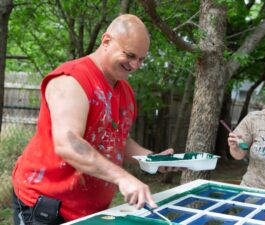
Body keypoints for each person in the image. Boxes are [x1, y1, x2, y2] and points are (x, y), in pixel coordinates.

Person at [12, 14, 176, 224]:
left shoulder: (124, 90)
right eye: (130, 55)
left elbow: (116, 141)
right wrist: (123, 177)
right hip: (43, 206)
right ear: (106, 41)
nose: (135, 65)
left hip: (89, 212)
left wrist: (153, 160)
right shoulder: (71, 79)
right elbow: (67, 144)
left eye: (141, 59)